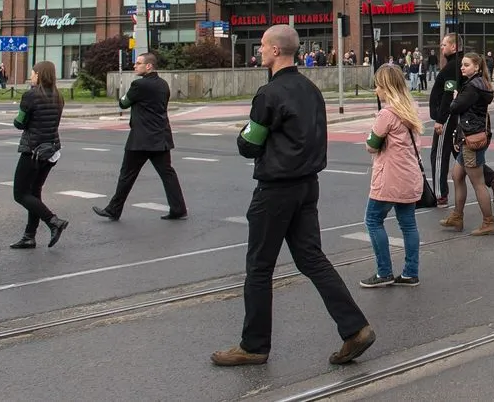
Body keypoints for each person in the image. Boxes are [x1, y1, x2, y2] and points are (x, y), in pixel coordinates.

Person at [211, 24, 374, 367]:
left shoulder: (269, 95)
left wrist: (247, 136)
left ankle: (253, 345)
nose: (259, 52)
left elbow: (248, 144)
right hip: (307, 186)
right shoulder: (311, 90)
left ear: (274, 51)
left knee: (258, 267)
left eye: (262, 47)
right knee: (312, 258)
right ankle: (355, 328)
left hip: (275, 189)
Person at [92, 52, 187, 221]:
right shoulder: (164, 84)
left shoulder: (139, 85)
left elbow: (123, 103)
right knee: (168, 174)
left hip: (141, 139)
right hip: (161, 137)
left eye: (138, 63)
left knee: (127, 175)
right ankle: (178, 209)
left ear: (149, 66)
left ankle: (114, 209)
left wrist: (125, 97)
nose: (135, 66)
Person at [360, 64, 424, 288]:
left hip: (389, 179)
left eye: (378, 86)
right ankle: (410, 273)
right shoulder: (411, 108)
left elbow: (371, 144)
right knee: (408, 225)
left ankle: (384, 271)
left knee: (373, 220)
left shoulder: (386, 114)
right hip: (409, 176)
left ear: (386, 87)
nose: (376, 90)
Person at [428, 34, 494, 207]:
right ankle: (493, 179)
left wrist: (440, 119)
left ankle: (440, 195)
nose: (441, 47)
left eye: (444, 44)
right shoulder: (455, 66)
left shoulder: (452, 68)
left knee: (439, 154)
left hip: (447, 116)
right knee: (461, 156)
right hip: (456, 116)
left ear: (454, 47)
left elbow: (448, 94)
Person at [9, 61, 67, 249]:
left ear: (40, 75)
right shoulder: (58, 96)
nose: (31, 76)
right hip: (51, 150)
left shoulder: (30, 96)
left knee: (20, 194)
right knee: (34, 192)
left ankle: (53, 221)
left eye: (33, 73)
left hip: (32, 151)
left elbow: (20, 123)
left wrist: (19, 117)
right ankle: (29, 236)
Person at [438, 53, 494, 236]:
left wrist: (456, 97)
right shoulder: (478, 83)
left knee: (478, 182)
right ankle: (457, 216)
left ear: (477, 68)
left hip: (472, 138)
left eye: (466, 65)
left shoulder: (472, 87)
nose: (462, 68)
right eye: (462, 65)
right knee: (457, 175)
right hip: (469, 135)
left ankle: (489, 222)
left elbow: (455, 108)